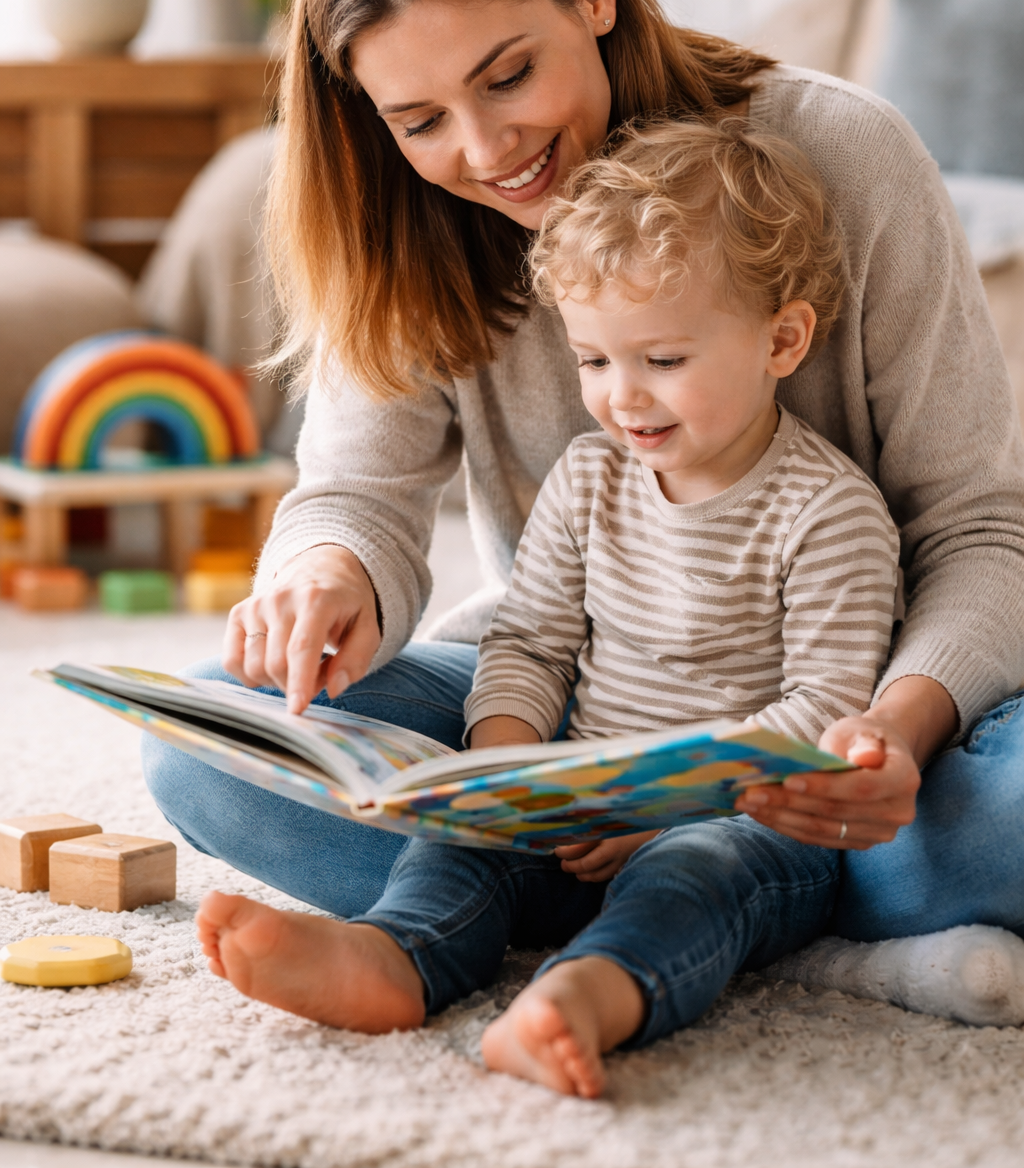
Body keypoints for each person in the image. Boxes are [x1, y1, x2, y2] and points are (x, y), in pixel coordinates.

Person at [142, 0, 1024, 955]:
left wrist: (892, 733)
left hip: (843, 713)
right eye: (418, 122)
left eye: (507, 75)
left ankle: (578, 899)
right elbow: (354, 496)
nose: (483, 148)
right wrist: (325, 579)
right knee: (207, 748)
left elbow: (981, 530)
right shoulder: (410, 225)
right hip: (587, 699)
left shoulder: (842, 152)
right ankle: (751, 913)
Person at [196, 118, 905, 1096]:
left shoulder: (831, 514)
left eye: (661, 359)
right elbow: (530, 639)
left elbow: (818, 714)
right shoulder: (585, 478)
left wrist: (657, 803)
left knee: (696, 881)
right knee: (458, 843)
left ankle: (580, 1000)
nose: (622, 399)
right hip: (577, 789)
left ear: (781, 340)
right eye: (593, 362)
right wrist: (501, 767)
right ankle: (392, 959)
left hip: (740, 816)